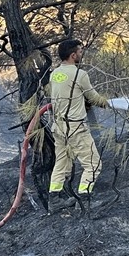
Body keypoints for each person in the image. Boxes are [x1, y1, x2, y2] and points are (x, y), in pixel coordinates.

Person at [46, 38, 113, 214]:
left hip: (59, 128)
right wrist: (107, 102)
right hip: (76, 128)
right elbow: (93, 97)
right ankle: (84, 201)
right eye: (80, 51)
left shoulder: (55, 74)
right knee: (93, 165)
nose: (82, 54)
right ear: (73, 55)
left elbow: (66, 94)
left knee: (61, 163)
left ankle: (54, 201)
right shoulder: (79, 74)